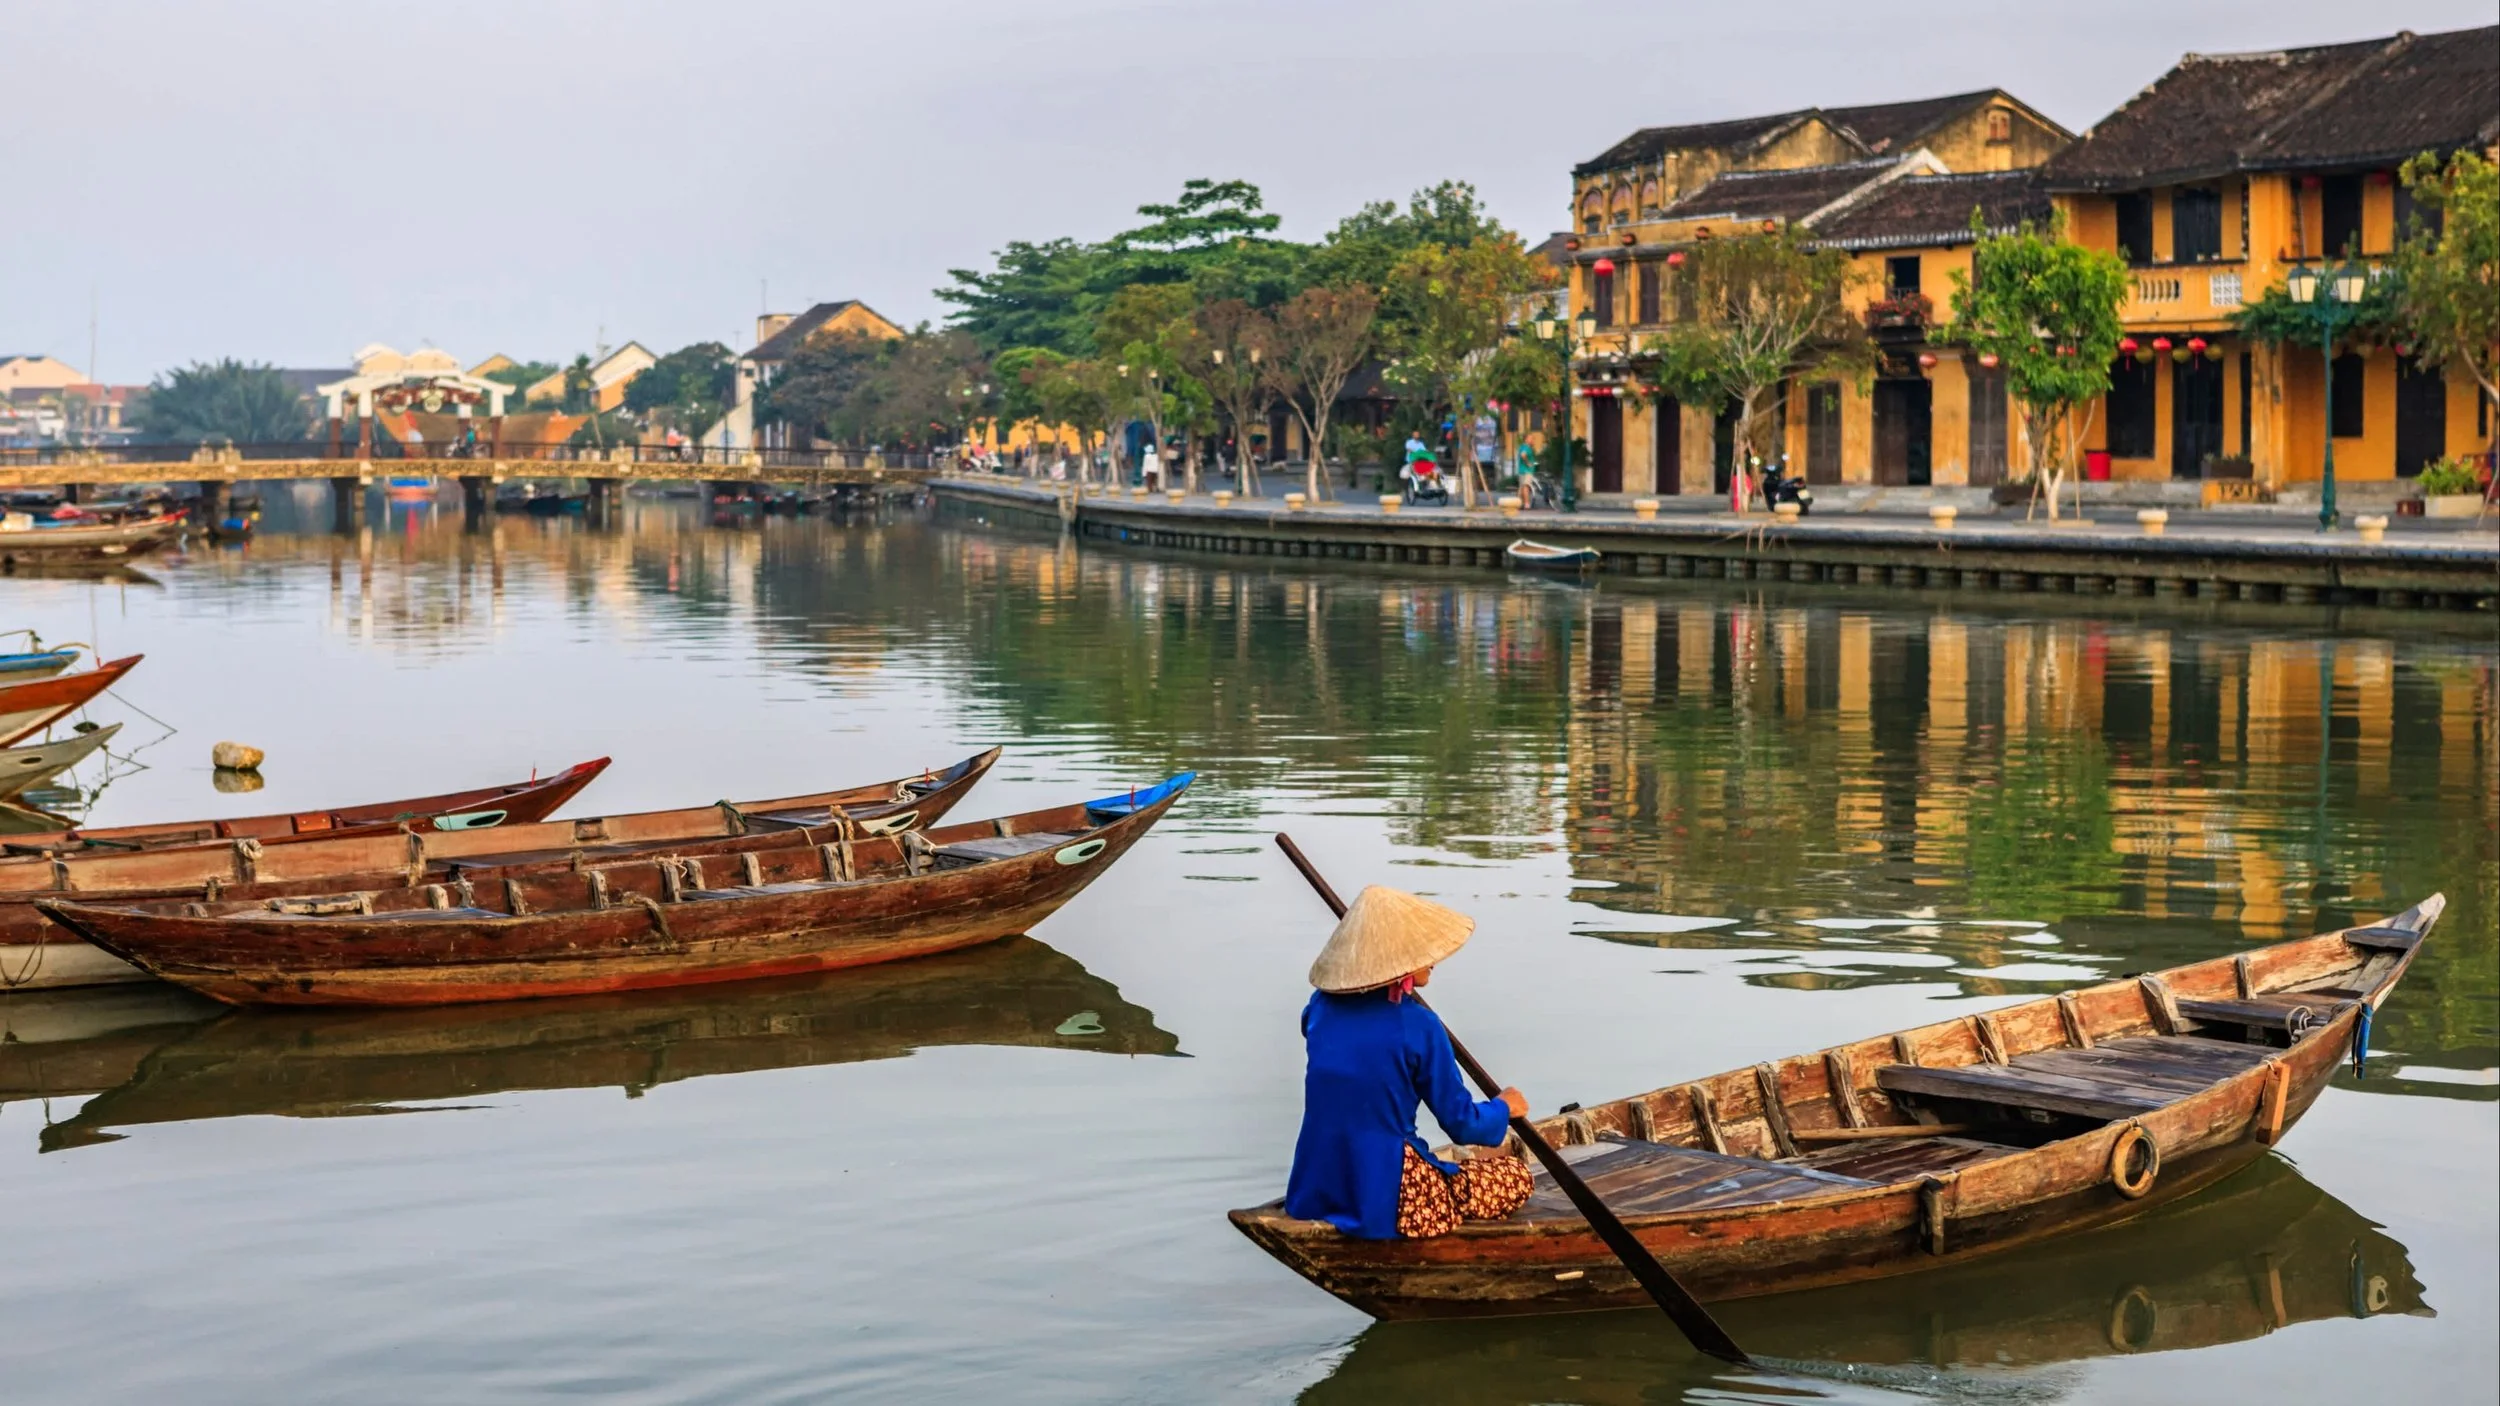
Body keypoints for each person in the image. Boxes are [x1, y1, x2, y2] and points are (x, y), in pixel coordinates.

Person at [1283, 886, 1534, 1240]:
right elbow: (1463, 1125)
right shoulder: (1420, 1026)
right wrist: (1503, 1108)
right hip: (1385, 1197)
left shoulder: (1318, 1009)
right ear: (1396, 962)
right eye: (1420, 952)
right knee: (1517, 1176)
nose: (1432, 960)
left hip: (1313, 1188)